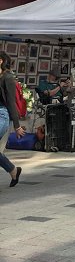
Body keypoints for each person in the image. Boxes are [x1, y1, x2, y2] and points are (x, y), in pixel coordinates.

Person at [0, 52, 23, 187]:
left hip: (2, 113)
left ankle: (13, 170)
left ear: (1, 61)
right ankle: (13, 170)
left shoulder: (8, 78)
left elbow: (11, 102)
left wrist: (17, 125)